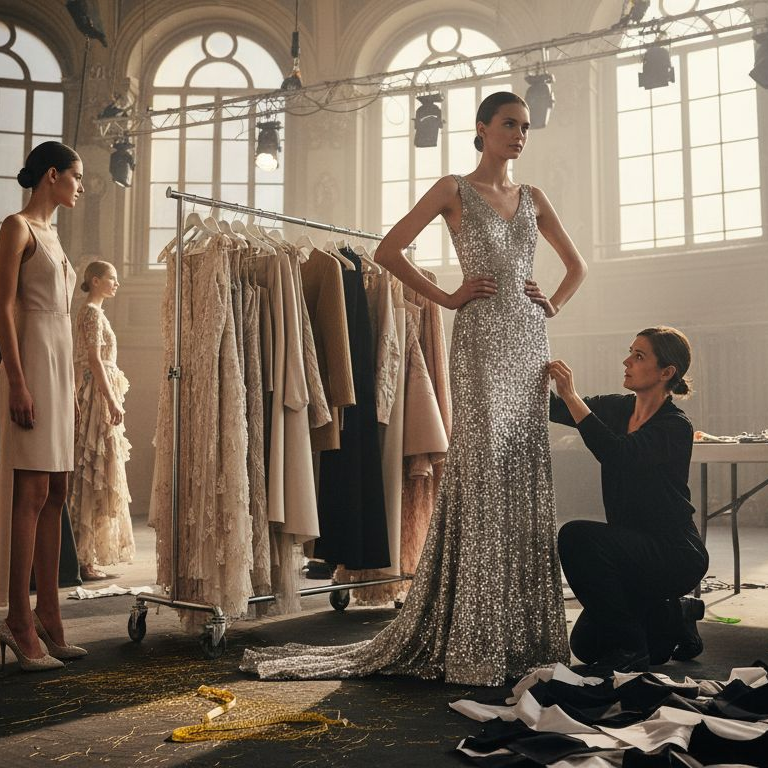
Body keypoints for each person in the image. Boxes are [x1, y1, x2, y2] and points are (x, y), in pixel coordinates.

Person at [242, 91, 588, 685]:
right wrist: (448, 297)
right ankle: (474, 632)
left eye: (526, 127)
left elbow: (577, 265)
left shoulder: (534, 198)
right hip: (479, 342)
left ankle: (524, 634)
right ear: (481, 129)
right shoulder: (453, 188)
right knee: (480, 474)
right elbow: (387, 251)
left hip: (527, 344)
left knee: (522, 474)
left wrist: (550, 303)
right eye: (509, 124)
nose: (520, 135)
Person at [0, 141, 85, 672]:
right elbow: (3, 307)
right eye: (76, 176)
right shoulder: (16, 226)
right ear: (52, 175)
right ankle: (18, 619)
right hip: (31, 366)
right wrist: (16, 381)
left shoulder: (57, 237)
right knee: (32, 490)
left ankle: (49, 614)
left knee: (57, 490)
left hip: (58, 366)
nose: (82, 186)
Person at [547, 328, 709, 672]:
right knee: (587, 646)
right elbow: (558, 409)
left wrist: (573, 397)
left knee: (575, 536)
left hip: (673, 554)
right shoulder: (619, 408)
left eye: (639, 356)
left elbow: (617, 454)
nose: (627, 361)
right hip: (631, 551)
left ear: (667, 372)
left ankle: (632, 648)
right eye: (630, 352)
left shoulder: (674, 426)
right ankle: (676, 613)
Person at [70, 260, 134, 581]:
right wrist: (109, 400)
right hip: (96, 392)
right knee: (93, 468)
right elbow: (94, 359)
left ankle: (87, 555)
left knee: (98, 468)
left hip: (98, 388)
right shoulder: (92, 313)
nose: (116, 284)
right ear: (95, 281)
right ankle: (82, 558)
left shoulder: (94, 312)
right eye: (112, 278)